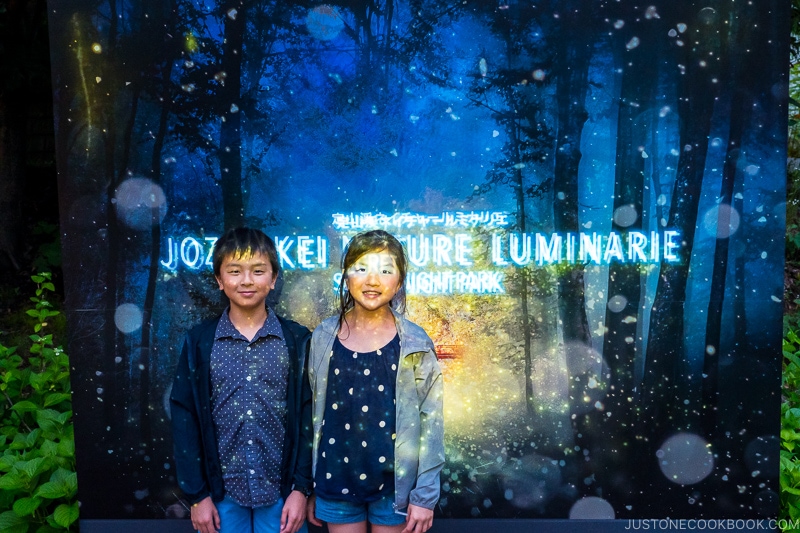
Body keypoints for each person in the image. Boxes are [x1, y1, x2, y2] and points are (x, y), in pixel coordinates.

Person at [170, 227, 314, 533]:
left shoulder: (297, 340)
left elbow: (308, 418)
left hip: (281, 492)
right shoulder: (200, 343)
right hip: (221, 496)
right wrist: (197, 496)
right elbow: (185, 418)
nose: (246, 280)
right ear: (220, 281)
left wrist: (301, 489)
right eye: (235, 271)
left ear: (273, 279)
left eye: (258, 271)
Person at [306, 229, 444, 533]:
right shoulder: (323, 337)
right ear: (346, 275)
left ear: (399, 280)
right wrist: (308, 484)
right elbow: (312, 414)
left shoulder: (415, 342)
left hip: (396, 488)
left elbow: (432, 422)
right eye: (361, 268)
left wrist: (425, 495)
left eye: (385, 270)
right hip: (336, 479)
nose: (372, 280)